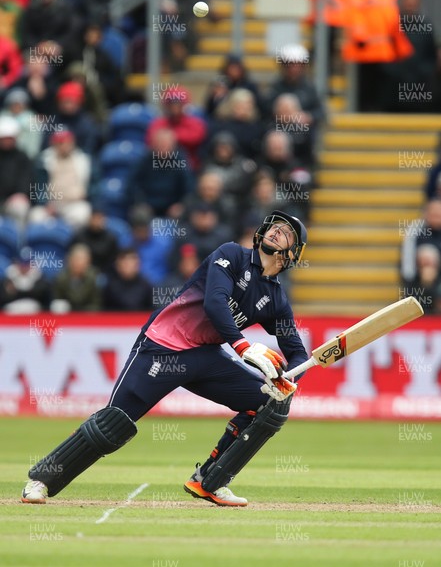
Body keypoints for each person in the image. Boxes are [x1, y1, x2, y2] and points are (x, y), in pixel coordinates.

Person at [21, 210, 308, 507]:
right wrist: (244, 347)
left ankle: (210, 481)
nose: (276, 230)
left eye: (286, 231)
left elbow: (296, 351)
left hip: (204, 356)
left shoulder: (276, 299)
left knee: (269, 403)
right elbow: (215, 302)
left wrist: (289, 380)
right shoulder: (232, 255)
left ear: (292, 253)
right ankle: (42, 479)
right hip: (162, 344)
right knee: (114, 422)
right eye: (275, 225)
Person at [103, 247, 153, 311]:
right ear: (117, 265)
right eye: (125, 263)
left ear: (138, 265)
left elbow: (151, 311)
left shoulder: (146, 286)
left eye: (132, 262)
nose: (129, 266)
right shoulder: (110, 287)